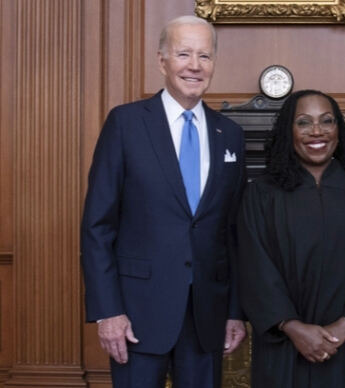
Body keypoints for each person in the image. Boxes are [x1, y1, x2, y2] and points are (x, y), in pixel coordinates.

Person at [81, 15, 247, 387]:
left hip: (207, 314)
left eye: (204, 56)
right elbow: (97, 226)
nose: (194, 66)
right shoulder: (125, 124)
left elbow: (234, 232)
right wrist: (108, 311)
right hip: (137, 314)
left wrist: (235, 312)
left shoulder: (230, 135)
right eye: (183, 53)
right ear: (162, 61)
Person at [236, 90, 345, 387]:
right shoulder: (262, 194)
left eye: (327, 121)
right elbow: (254, 266)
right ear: (289, 131)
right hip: (283, 346)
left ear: (339, 129)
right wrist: (292, 327)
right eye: (303, 122)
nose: (317, 131)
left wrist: (344, 327)